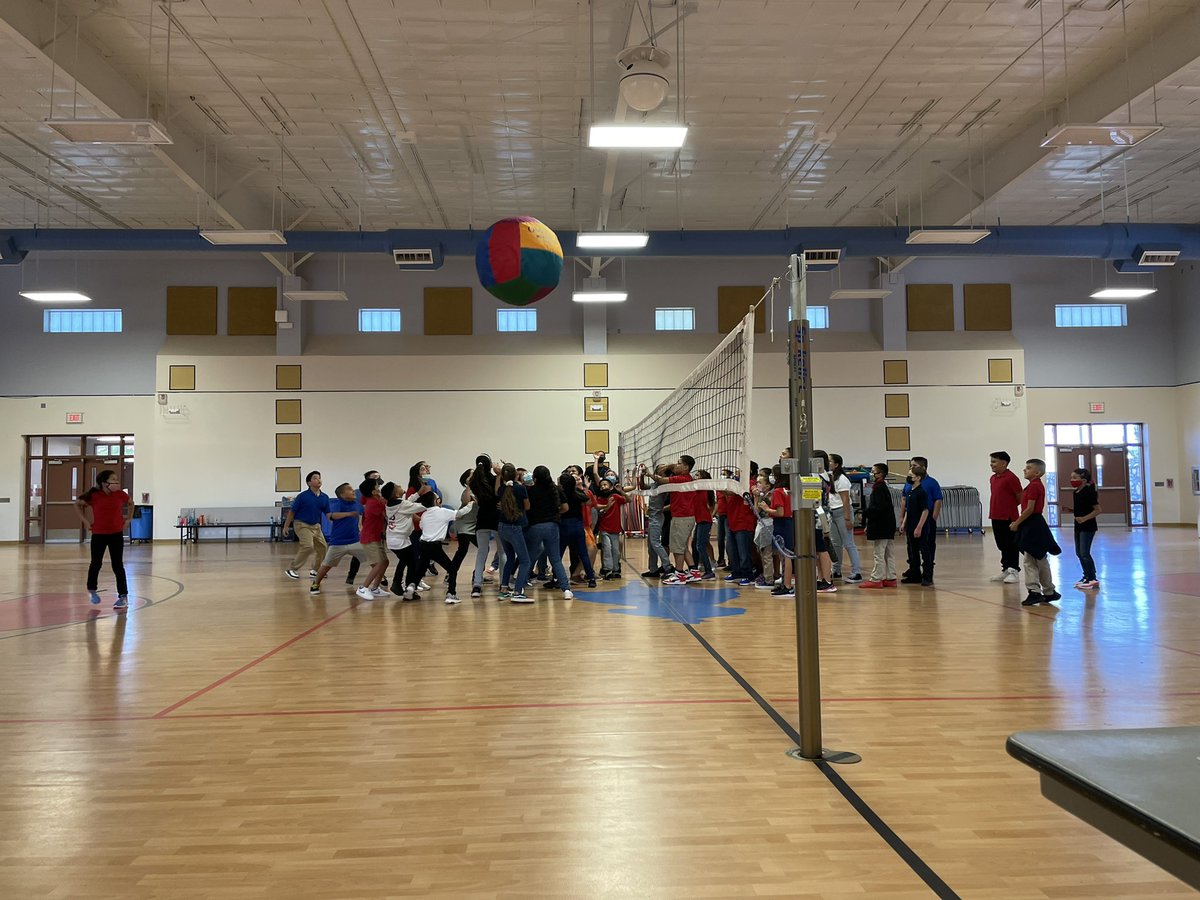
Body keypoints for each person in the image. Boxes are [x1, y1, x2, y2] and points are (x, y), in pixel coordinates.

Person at [75, 468, 133, 609]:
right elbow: (77, 504)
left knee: (118, 565)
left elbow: (131, 503)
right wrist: (86, 522)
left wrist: (128, 519)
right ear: (103, 483)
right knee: (96, 563)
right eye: (113, 479)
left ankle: (123, 596)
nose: (116, 482)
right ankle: (92, 590)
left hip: (116, 534)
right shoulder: (94, 496)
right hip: (99, 534)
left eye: (116, 479)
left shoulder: (120, 495)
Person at [1011, 458, 1062, 606]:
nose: (1024, 470)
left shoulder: (1034, 486)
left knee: (1029, 560)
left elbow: (1030, 509)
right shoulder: (1034, 485)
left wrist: (1017, 522)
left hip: (1032, 524)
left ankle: (1034, 591)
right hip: (1034, 523)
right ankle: (1049, 591)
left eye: (1028, 468)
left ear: (1037, 472)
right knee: (1040, 559)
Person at [524, 465, 575, 598]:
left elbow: (526, 508)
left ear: (534, 478)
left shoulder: (530, 491)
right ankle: (566, 590)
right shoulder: (556, 489)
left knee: (529, 558)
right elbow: (565, 508)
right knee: (556, 559)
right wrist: (553, 512)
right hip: (552, 526)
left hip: (535, 526)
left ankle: (521, 586)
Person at [415, 492, 475, 604]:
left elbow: (421, 526)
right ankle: (451, 594)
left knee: (421, 569)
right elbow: (460, 514)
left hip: (423, 545)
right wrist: (470, 504)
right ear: (436, 501)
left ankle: (411, 588)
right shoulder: (442, 512)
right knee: (452, 569)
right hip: (435, 546)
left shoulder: (424, 514)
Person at [310, 482, 367, 597]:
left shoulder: (357, 503)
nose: (353, 491)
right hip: (338, 543)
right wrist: (348, 514)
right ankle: (315, 584)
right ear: (342, 494)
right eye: (350, 490)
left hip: (355, 541)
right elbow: (330, 516)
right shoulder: (338, 504)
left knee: (374, 561)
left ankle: (379, 583)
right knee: (326, 566)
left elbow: (363, 512)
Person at [655, 456, 699, 585]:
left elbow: (661, 480)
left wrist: (648, 473)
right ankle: (693, 572)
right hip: (684, 517)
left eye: (679, 463)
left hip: (682, 518)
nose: (676, 465)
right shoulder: (685, 478)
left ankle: (679, 575)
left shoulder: (682, 479)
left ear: (685, 467)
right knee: (683, 547)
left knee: (677, 548)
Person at [899, 455, 942, 580]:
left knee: (926, 546)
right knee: (911, 546)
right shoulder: (910, 485)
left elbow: (937, 501)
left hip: (925, 519)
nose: (911, 468)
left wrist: (933, 518)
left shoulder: (930, 483)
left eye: (914, 466)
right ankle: (914, 569)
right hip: (911, 518)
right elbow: (904, 500)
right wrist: (902, 518)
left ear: (922, 469)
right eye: (911, 465)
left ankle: (928, 571)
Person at [383, 481, 427, 600]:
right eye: (398, 487)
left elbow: (409, 502)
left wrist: (418, 493)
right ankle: (409, 590)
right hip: (400, 540)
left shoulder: (391, 504)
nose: (400, 487)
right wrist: (432, 501)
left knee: (405, 560)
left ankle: (397, 583)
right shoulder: (402, 505)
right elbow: (421, 506)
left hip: (393, 540)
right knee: (413, 563)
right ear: (395, 493)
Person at [469, 455, 506, 595]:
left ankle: (477, 585)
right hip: (496, 518)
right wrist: (500, 474)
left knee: (481, 552)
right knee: (502, 552)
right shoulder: (495, 479)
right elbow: (499, 495)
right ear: (490, 465)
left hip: (482, 519)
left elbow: (478, 501)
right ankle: (503, 583)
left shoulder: (474, 481)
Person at [283, 471, 330, 580]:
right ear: (309, 483)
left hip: (316, 526)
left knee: (323, 547)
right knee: (308, 546)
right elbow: (292, 512)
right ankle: (292, 569)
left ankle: (315, 570)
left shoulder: (324, 497)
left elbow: (328, 514)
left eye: (319, 478)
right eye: (315, 478)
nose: (318, 480)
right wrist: (286, 526)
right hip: (301, 524)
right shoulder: (303, 496)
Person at [496, 463, 533, 602]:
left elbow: (498, 493)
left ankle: (504, 589)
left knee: (510, 558)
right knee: (525, 561)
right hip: (515, 527)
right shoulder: (520, 488)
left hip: (501, 527)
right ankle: (518, 591)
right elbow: (527, 506)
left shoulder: (502, 489)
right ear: (516, 475)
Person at [824, 454, 863, 582]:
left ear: (836, 464)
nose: (828, 463)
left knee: (849, 543)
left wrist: (847, 519)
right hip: (833, 511)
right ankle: (836, 570)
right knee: (836, 543)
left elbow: (845, 500)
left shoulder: (842, 479)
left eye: (830, 461)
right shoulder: (830, 477)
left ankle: (856, 572)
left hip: (842, 511)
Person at [859, 463, 898, 589]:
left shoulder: (879, 488)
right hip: (888, 525)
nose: (871, 474)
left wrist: (864, 514)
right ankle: (891, 577)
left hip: (881, 526)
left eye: (873, 471)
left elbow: (878, 507)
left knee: (879, 553)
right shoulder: (883, 487)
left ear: (880, 474)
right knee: (889, 552)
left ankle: (876, 578)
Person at [987, 451, 1023, 584]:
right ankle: (1006, 570)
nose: (991, 464)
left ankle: (1014, 570)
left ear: (1004, 463)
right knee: (1001, 544)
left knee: (1010, 544)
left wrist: (1009, 507)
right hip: (995, 515)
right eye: (991, 462)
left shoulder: (1011, 478)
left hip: (1008, 517)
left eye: (994, 462)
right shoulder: (993, 478)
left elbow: (1020, 496)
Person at [558, 471, 597, 588]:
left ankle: (556, 578)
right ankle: (591, 579)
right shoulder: (577, 493)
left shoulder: (560, 493)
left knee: (558, 554)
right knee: (583, 553)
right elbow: (589, 501)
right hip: (578, 525)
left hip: (564, 525)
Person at [1065, 468, 1102, 590]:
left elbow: (1097, 510)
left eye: (1075, 478)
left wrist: (1085, 518)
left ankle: (1092, 578)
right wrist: (1071, 510)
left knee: (1085, 553)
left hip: (1088, 526)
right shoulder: (1076, 492)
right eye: (1071, 477)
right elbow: (1081, 508)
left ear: (1083, 480)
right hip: (1078, 526)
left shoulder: (1089, 492)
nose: (1072, 480)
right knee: (1079, 553)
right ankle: (1086, 576)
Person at [758, 474, 795, 597]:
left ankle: (787, 586)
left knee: (785, 555)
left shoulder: (779, 491)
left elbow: (780, 512)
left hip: (782, 524)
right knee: (786, 555)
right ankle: (786, 584)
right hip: (787, 523)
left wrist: (766, 508)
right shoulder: (788, 489)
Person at [355, 479, 391, 600]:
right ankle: (363, 588)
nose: (379, 488)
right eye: (377, 486)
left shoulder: (375, 500)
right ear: (373, 491)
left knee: (385, 562)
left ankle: (375, 588)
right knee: (379, 563)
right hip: (369, 538)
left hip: (376, 536)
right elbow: (387, 513)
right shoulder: (373, 503)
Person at [347, 469, 382, 586]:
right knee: (362, 553)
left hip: (374, 530)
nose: (377, 479)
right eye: (374, 477)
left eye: (378, 477)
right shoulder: (366, 496)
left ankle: (378, 582)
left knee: (379, 560)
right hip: (366, 527)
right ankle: (355, 578)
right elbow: (364, 508)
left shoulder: (377, 495)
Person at [901, 464, 933, 587]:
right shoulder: (910, 491)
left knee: (924, 551)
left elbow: (925, 510)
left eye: (911, 476)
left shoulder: (922, 492)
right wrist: (904, 523)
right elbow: (909, 509)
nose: (908, 478)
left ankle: (927, 576)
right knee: (912, 552)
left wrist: (919, 527)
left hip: (920, 527)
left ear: (918, 478)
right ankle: (915, 575)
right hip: (910, 526)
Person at [639, 463, 672, 578]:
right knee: (650, 545)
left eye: (663, 469)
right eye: (659, 469)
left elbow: (660, 480)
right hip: (652, 516)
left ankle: (668, 567)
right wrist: (643, 475)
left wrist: (648, 473)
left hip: (657, 516)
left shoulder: (665, 484)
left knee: (655, 543)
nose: (660, 470)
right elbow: (642, 487)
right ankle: (653, 570)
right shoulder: (654, 484)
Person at [453, 470, 482, 598]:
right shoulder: (467, 492)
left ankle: (477, 574)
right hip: (463, 526)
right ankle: (451, 573)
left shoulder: (479, 490)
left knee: (483, 548)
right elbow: (465, 501)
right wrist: (469, 485)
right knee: (462, 550)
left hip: (473, 526)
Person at [593, 476, 627, 579]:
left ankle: (616, 569)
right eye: (601, 486)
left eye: (605, 485)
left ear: (611, 487)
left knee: (615, 550)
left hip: (615, 529)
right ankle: (608, 569)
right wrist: (606, 507)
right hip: (604, 529)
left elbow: (627, 500)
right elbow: (599, 513)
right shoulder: (599, 499)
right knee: (606, 548)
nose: (603, 487)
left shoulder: (616, 497)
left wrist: (621, 492)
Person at [723, 484, 757, 586]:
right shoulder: (734, 482)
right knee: (732, 550)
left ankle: (747, 575)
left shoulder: (749, 484)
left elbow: (733, 491)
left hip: (744, 523)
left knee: (743, 552)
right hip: (732, 522)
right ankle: (736, 572)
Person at [691, 469, 717, 580]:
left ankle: (709, 571)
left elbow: (713, 504)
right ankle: (694, 570)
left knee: (700, 546)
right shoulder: (697, 490)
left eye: (697, 475)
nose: (694, 476)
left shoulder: (703, 490)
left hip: (705, 521)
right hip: (700, 521)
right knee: (694, 545)